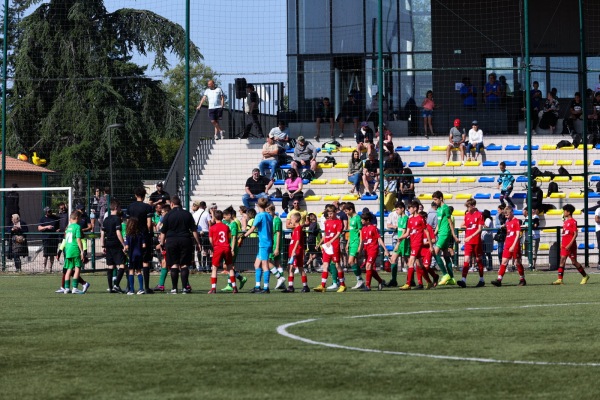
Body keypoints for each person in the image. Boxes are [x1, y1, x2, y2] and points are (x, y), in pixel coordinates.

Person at [159, 195, 201, 294]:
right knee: (184, 265)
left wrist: (161, 243)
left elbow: (163, 232)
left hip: (171, 241)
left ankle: (174, 288)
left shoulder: (168, 215)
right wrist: (198, 243)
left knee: (174, 265)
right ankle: (185, 288)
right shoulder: (187, 214)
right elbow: (194, 230)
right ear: (180, 204)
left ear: (172, 204)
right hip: (185, 240)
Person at [242, 197, 274, 293]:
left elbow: (252, 228)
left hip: (264, 242)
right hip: (266, 241)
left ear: (257, 205)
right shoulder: (269, 216)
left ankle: (266, 287)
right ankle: (257, 286)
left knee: (264, 265)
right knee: (257, 264)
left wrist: (243, 236)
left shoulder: (259, 215)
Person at [398, 201, 431, 290]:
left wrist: (431, 245)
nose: (408, 210)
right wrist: (401, 238)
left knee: (411, 261)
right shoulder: (410, 219)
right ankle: (429, 281)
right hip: (412, 243)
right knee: (420, 264)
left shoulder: (420, 218)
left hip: (418, 243)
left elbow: (426, 232)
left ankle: (408, 284)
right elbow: (407, 233)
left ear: (415, 208)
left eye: (410, 208)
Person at [552, 204, 589, 285]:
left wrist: (570, 244)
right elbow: (565, 234)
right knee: (562, 260)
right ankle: (560, 279)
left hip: (570, 245)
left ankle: (585, 276)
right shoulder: (565, 222)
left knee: (574, 262)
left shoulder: (573, 221)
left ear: (568, 212)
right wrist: (562, 243)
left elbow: (575, 234)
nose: (563, 212)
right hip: (564, 245)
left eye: (564, 211)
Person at [127, 186, 155, 293]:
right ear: (144, 196)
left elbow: (128, 223)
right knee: (145, 261)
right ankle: (146, 287)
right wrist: (149, 233)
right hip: (143, 236)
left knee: (131, 262)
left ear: (135, 195)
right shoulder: (147, 207)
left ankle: (129, 287)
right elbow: (149, 224)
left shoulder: (130, 207)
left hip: (132, 236)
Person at [490, 206, 526, 287]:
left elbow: (517, 235)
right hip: (507, 245)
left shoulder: (516, 221)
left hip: (514, 245)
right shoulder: (507, 222)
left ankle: (522, 279)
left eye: (507, 215)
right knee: (504, 262)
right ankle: (499, 280)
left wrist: (513, 245)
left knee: (517, 262)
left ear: (511, 212)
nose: (506, 217)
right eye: (505, 215)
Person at [313, 205, 346, 292]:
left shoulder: (338, 222)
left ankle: (342, 285)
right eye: (329, 213)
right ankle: (322, 285)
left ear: (335, 212)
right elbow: (325, 235)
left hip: (334, 246)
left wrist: (331, 241)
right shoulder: (327, 222)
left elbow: (338, 234)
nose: (330, 215)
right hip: (327, 247)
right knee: (325, 265)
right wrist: (319, 244)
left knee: (337, 265)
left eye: (331, 213)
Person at [432, 191, 460, 286]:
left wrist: (454, 235)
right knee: (446, 255)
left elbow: (450, 222)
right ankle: (451, 278)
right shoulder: (439, 209)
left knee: (435, 252)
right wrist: (434, 233)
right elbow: (439, 224)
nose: (434, 201)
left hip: (445, 234)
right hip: (441, 233)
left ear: (441, 198)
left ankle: (445, 274)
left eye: (435, 199)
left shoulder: (446, 208)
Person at [457, 198, 485, 288]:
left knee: (478, 259)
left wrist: (471, 236)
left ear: (473, 206)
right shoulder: (467, 215)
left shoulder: (479, 215)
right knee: (466, 260)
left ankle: (481, 279)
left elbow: (480, 229)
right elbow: (463, 224)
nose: (467, 209)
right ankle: (463, 280)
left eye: (468, 207)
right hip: (468, 241)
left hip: (476, 241)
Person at [357, 212, 389, 291]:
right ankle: (381, 281)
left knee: (368, 266)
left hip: (373, 249)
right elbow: (363, 241)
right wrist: (360, 252)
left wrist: (385, 249)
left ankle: (367, 286)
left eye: (362, 220)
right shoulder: (363, 229)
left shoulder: (373, 228)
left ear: (367, 220)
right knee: (369, 267)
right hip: (367, 250)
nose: (361, 221)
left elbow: (379, 239)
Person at [208, 210, 237, 293]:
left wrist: (213, 248)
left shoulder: (212, 228)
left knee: (215, 268)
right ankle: (234, 287)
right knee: (230, 267)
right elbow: (229, 238)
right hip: (226, 247)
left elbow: (211, 240)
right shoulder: (226, 227)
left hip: (218, 248)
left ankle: (213, 288)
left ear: (215, 217)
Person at [101, 200, 126, 293]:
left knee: (111, 266)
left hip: (108, 244)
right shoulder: (117, 219)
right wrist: (123, 244)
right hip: (116, 243)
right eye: (119, 208)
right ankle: (116, 285)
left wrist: (103, 245)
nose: (120, 209)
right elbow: (118, 232)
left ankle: (110, 287)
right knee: (122, 265)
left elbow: (102, 233)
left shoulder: (106, 219)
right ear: (116, 208)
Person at [282, 213, 309, 292]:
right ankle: (304, 286)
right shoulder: (296, 229)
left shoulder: (297, 229)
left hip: (296, 251)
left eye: (291, 219)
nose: (290, 221)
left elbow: (297, 240)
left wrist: (294, 250)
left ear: (296, 219)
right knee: (295, 268)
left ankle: (292, 287)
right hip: (295, 251)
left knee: (293, 268)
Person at [61, 211, 85, 294]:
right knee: (78, 267)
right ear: (77, 218)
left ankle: (66, 288)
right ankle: (75, 288)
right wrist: (82, 251)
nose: (81, 220)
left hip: (68, 250)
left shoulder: (68, 227)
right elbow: (78, 239)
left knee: (69, 269)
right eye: (81, 218)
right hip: (75, 250)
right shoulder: (77, 227)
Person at [124, 216, 146, 295]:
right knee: (139, 271)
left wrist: (125, 249)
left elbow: (127, 246)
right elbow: (144, 245)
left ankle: (132, 290)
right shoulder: (140, 234)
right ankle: (141, 289)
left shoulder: (128, 235)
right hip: (139, 254)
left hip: (132, 255)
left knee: (131, 271)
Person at [389, 202, 409, 286]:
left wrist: (398, 243)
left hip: (404, 242)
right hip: (399, 241)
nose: (396, 211)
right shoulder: (400, 218)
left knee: (408, 261)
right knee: (393, 259)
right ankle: (394, 280)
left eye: (397, 209)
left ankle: (411, 280)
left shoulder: (405, 218)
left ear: (402, 209)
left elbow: (404, 232)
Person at [38, 206, 60, 273]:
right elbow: (39, 228)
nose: (50, 212)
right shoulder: (42, 219)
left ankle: (50, 269)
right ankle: (44, 269)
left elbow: (59, 227)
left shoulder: (55, 218)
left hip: (54, 238)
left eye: (50, 211)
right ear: (45, 212)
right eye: (48, 211)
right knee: (45, 254)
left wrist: (58, 230)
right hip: (46, 238)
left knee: (52, 254)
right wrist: (46, 227)